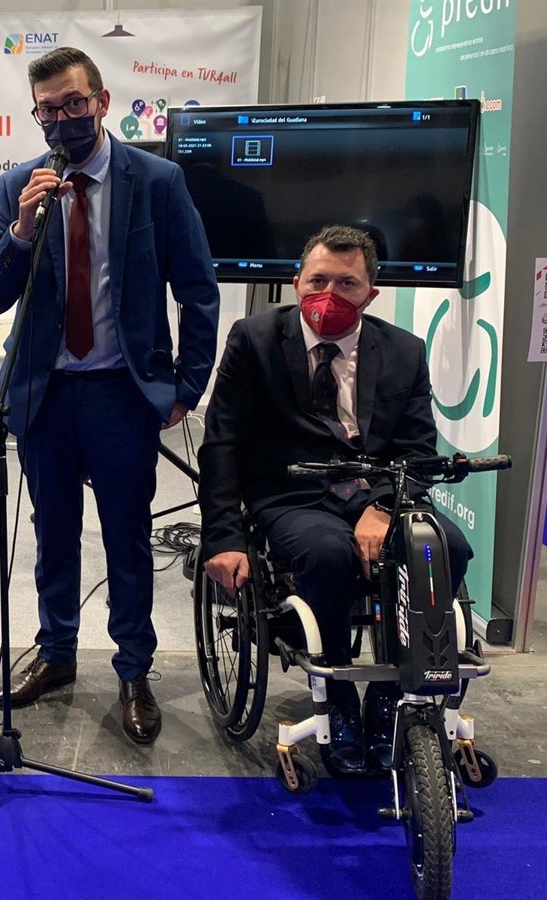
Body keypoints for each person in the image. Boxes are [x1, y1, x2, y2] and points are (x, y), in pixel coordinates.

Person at [0, 47, 220, 745]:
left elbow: (197, 288)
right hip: (46, 392)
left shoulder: (158, 180)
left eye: (74, 104)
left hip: (123, 392)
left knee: (127, 537)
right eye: (47, 110)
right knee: (52, 532)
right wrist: (21, 231)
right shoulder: (19, 185)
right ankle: (56, 653)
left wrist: (186, 387)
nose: (62, 119)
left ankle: (134, 669)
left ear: (102, 102)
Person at [197, 224, 473, 773]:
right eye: (318, 280)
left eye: (347, 283)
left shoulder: (403, 351)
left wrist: (384, 508)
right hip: (291, 493)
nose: (329, 294)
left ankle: (394, 695)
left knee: (445, 547)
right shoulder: (253, 339)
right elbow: (222, 443)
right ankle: (338, 695)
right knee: (328, 555)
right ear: (296, 282)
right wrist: (223, 538)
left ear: (371, 293)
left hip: (381, 489)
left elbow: (419, 450)